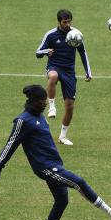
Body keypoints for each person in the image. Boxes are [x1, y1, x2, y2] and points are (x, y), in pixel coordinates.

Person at [0, 85, 111, 220]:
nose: (45, 103)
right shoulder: (23, 121)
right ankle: (110, 211)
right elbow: (10, 145)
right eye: (42, 100)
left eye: (46, 100)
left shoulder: (41, 117)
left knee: (62, 200)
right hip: (45, 168)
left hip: (55, 164)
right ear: (32, 101)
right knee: (79, 182)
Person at [35, 9, 92, 146]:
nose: (67, 24)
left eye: (69, 21)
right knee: (53, 76)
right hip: (54, 66)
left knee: (70, 106)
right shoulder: (51, 35)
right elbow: (37, 52)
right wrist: (46, 51)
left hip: (69, 71)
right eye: (64, 22)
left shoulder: (75, 34)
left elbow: (83, 53)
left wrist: (88, 72)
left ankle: (62, 136)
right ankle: (52, 107)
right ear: (59, 22)